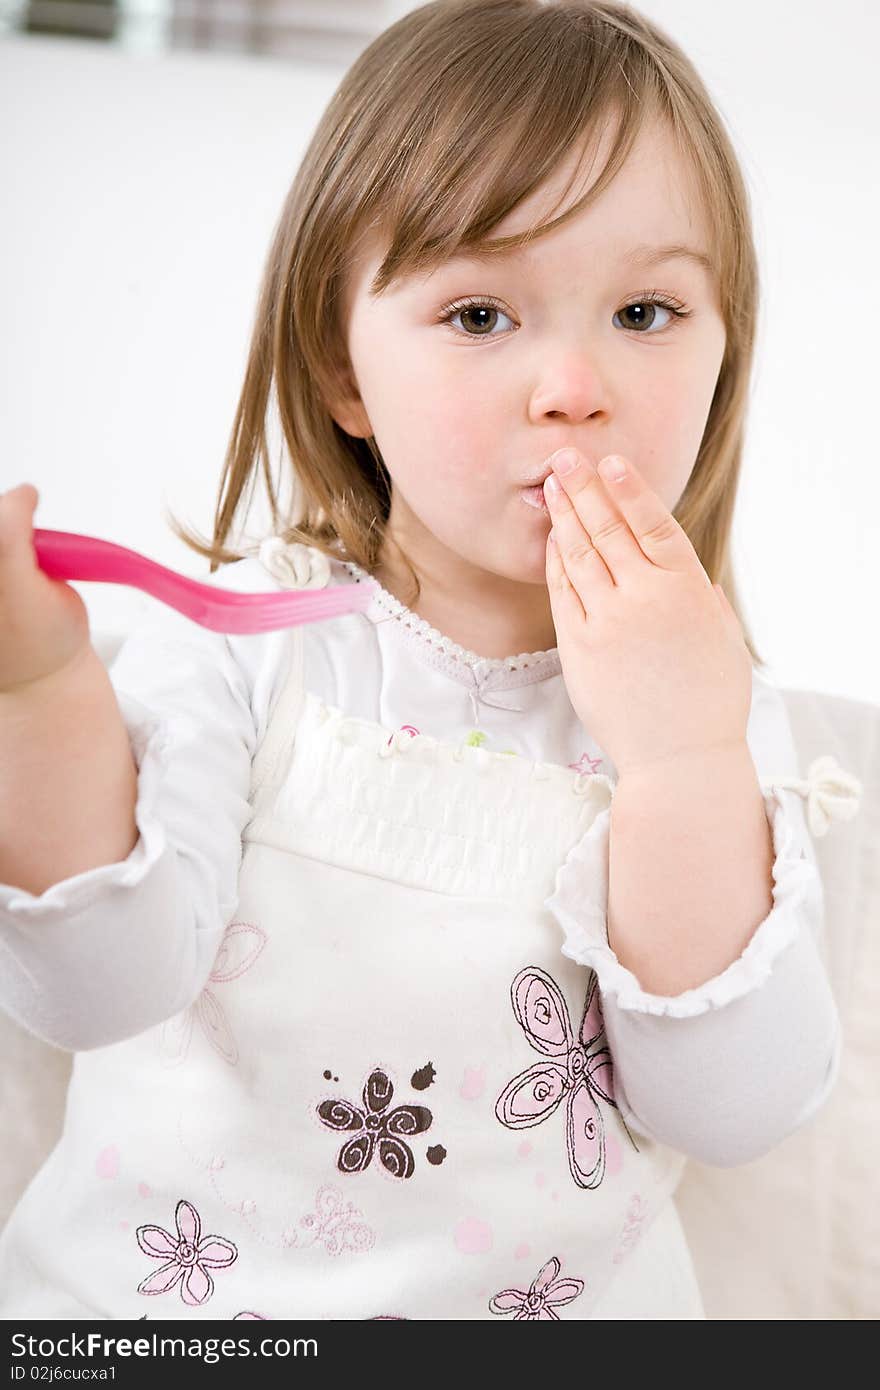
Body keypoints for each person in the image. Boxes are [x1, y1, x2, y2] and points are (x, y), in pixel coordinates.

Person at [0, 0, 862, 1320]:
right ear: (344, 369)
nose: (574, 383)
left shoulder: (704, 704)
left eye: (646, 308)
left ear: (723, 351)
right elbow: (96, 987)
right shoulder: (236, 652)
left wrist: (681, 760)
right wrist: (39, 692)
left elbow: (738, 1107)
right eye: (478, 313)